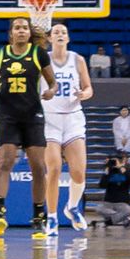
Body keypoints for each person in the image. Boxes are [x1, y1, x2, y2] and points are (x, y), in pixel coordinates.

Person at [0, 15, 56, 241]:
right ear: (11, 33)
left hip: (32, 115)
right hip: (7, 115)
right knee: (4, 161)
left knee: (37, 166)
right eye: (17, 28)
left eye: (25, 27)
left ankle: (38, 215)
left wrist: (52, 90)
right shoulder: (1, 54)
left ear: (29, 31)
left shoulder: (38, 53)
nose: (21, 31)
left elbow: (52, 82)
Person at [42, 22, 93, 233]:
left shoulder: (78, 59)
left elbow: (89, 88)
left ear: (68, 38)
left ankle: (72, 207)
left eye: (64, 32)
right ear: (50, 38)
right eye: (56, 32)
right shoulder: (42, 60)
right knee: (53, 168)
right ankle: (52, 216)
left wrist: (84, 94)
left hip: (73, 118)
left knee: (79, 171)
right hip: (49, 118)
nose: (60, 34)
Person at [98, 155, 130, 225]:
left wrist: (121, 168)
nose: (114, 163)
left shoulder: (127, 170)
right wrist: (105, 174)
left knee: (128, 210)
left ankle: (110, 221)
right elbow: (102, 185)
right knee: (99, 209)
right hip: (108, 202)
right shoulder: (108, 171)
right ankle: (122, 218)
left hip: (123, 202)